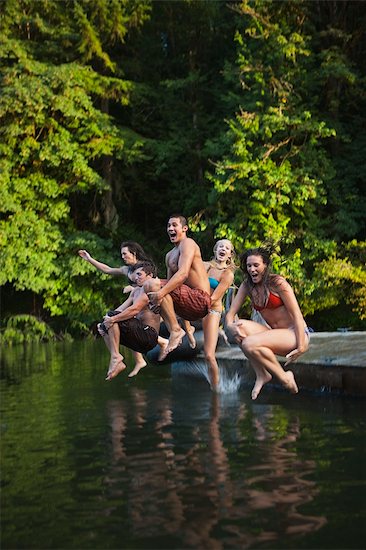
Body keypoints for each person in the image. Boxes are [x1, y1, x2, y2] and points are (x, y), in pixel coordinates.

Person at [225, 247, 310, 399]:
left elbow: (297, 315)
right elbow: (230, 315)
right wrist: (230, 326)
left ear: (265, 265)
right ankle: (262, 374)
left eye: (256, 265)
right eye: (249, 266)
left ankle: (285, 378)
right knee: (240, 329)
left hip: (294, 334)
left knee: (249, 343)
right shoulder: (247, 286)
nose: (252, 269)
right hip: (274, 334)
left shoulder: (277, 283)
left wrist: (302, 346)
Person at [78, 242, 153, 374]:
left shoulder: (144, 268)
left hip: (147, 304)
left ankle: (156, 347)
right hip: (134, 301)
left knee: (122, 319)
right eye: (121, 254)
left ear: (133, 254)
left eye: (125, 253)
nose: (122, 256)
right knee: (109, 321)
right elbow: (107, 270)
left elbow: (153, 285)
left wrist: (134, 288)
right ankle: (128, 358)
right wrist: (89, 259)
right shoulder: (127, 270)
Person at [146, 214, 211, 361]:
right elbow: (171, 288)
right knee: (150, 286)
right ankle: (183, 330)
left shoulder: (188, 243)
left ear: (184, 228)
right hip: (186, 303)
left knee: (153, 284)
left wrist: (160, 293)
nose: (170, 228)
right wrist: (159, 302)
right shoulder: (169, 255)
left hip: (200, 299)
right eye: (168, 226)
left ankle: (176, 330)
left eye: (174, 225)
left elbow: (182, 274)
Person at [101, 261, 168, 380]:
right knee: (103, 326)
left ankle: (116, 357)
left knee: (113, 317)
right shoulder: (135, 291)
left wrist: (112, 318)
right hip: (138, 342)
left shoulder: (150, 290)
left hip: (149, 336)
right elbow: (120, 309)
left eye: (139, 274)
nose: (136, 278)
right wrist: (106, 321)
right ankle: (116, 358)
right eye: (135, 275)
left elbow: (134, 310)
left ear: (150, 276)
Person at [202, 239, 236, 389]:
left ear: (229, 255)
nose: (223, 249)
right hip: (197, 309)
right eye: (220, 246)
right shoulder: (205, 266)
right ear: (215, 250)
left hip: (212, 311)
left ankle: (216, 389)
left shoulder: (227, 274)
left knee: (209, 355)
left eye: (227, 248)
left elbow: (215, 297)